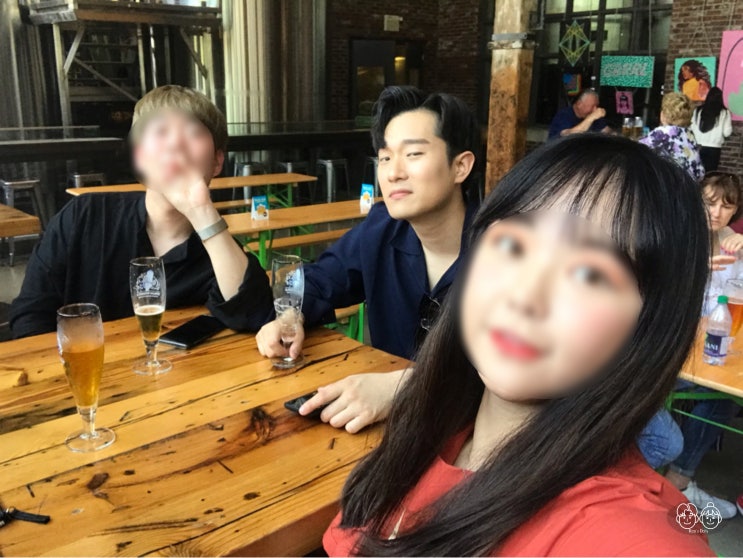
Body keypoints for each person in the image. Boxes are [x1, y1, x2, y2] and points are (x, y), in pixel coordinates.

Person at [323, 134, 714, 556]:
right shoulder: (426, 435)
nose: (525, 296)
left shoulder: (628, 535)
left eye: (590, 274)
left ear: (652, 323)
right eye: (513, 245)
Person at [255, 86, 479, 433]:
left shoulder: (507, 253)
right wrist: (290, 316)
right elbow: (319, 279)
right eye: (385, 158)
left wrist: (402, 387)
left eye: (414, 154)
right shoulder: (381, 230)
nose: (393, 173)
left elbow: (521, 368)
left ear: (460, 167)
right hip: (384, 432)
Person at [9, 85, 274, 338]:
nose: (175, 144)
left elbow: (255, 315)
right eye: (160, 131)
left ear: (217, 162)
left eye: (193, 132)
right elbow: (29, 318)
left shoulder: (217, 252)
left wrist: (202, 211)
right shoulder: (84, 217)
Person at [661, 172, 743, 519]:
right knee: (717, 395)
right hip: (662, 355)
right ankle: (676, 480)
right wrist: (698, 268)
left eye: (727, 206)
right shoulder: (677, 239)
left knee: (722, 394)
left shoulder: (735, 248)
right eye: (709, 203)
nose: (716, 212)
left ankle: (680, 480)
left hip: (709, 353)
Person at [640, 92, 705, 182]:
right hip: (689, 188)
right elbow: (699, 173)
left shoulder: (659, 135)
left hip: (663, 187)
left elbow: (635, 156)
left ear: (662, 115)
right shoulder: (689, 136)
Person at [691, 87, 733, 172]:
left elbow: (692, 128)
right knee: (710, 174)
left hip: (698, 146)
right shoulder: (724, 112)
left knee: (696, 172)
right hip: (714, 148)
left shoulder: (698, 110)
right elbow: (727, 133)